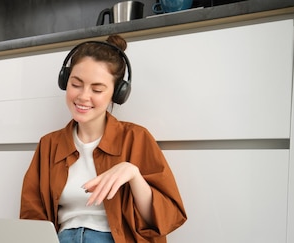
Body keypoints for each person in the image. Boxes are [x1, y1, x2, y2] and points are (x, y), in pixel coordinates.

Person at [19, 34, 187, 243]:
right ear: (65, 81)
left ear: (116, 93)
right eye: (76, 84)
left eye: (97, 89)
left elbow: (166, 218)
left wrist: (133, 174)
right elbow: (31, 219)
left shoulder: (136, 138)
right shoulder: (49, 145)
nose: (83, 96)